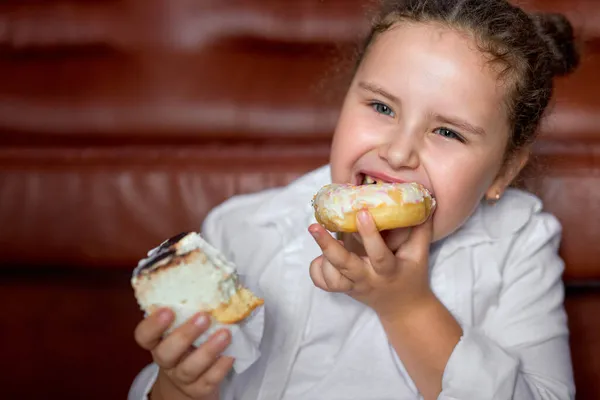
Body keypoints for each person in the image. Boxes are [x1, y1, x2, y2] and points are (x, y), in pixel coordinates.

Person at [129, 0, 581, 399]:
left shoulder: (520, 243)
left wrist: (407, 306)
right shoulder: (247, 229)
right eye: (382, 107)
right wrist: (180, 387)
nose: (398, 152)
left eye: (447, 131)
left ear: (503, 171)